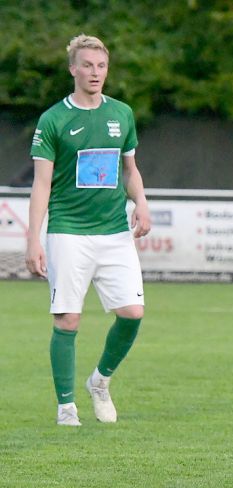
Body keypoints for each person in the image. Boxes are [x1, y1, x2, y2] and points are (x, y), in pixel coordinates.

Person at [25, 34, 150, 426]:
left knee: (132, 314)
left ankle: (100, 381)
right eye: (88, 65)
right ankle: (66, 407)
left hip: (114, 231)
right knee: (68, 319)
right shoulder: (54, 120)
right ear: (73, 69)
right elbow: (41, 184)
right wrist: (33, 239)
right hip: (68, 231)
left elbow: (129, 169)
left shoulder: (121, 114)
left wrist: (142, 203)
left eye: (101, 66)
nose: (95, 73)